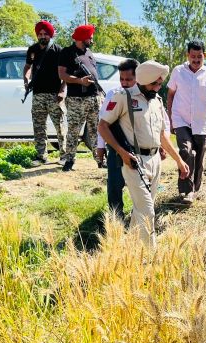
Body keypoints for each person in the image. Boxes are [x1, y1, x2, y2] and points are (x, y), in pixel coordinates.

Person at [98, 60, 190, 245]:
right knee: (148, 211)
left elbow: (162, 136)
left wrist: (179, 161)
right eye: (154, 83)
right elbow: (103, 126)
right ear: (144, 79)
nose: (157, 87)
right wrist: (122, 153)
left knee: (140, 211)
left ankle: (131, 249)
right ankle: (151, 257)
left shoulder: (157, 101)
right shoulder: (122, 96)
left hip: (155, 161)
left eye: (159, 83)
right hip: (133, 162)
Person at [166, 40, 206, 205]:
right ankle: (186, 191)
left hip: (201, 122)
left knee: (199, 158)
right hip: (181, 119)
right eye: (193, 56)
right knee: (186, 151)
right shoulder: (178, 71)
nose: (196, 60)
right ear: (188, 55)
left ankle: (195, 188)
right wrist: (170, 118)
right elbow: (170, 94)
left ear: (204, 56)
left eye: (199, 56)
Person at [97, 58, 139, 219]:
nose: (125, 83)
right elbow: (102, 123)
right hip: (116, 147)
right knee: (115, 184)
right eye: (122, 79)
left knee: (140, 185)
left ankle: (138, 216)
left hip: (138, 148)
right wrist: (100, 147)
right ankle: (116, 217)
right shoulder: (112, 94)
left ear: (138, 78)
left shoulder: (144, 96)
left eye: (129, 79)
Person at [23, 20, 66, 166]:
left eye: (45, 34)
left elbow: (66, 73)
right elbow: (28, 66)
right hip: (38, 94)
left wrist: (62, 90)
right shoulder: (32, 49)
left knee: (59, 126)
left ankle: (64, 156)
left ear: (50, 35)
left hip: (54, 94)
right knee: (39, 126)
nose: (42, 36)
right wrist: (26, 79)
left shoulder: (58, 50)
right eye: (40, 34)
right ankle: (41, 156)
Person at [59, 24, 101, 171]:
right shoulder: (67, 52)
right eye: (90, 36)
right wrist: (79, 81)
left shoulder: (89, 52)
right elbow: (62, 74)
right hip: (77, 99)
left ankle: (100, 159)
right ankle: (69, 161)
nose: (92, 39)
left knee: (96, 130)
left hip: (94, 98)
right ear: (82, 38)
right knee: (74, 131)